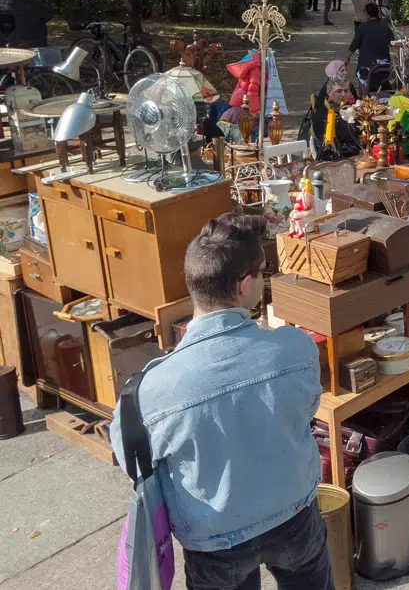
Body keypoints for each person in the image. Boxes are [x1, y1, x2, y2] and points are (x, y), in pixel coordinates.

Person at [113, 215, 330, 590]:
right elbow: (306, 411)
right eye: (263, 272)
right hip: (294, 516)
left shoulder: (147, 390)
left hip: (213, 541)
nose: (265, 280)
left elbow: (130, 460)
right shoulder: (296, 349)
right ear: (244, 285)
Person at [345, 2, 395, 79]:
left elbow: (354, 44)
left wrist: (347, 57)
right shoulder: (385, 27)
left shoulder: (362, 28)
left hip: (366, 66)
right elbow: (393, 45)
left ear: (367, 14)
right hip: (384, 65)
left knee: (364, 81)